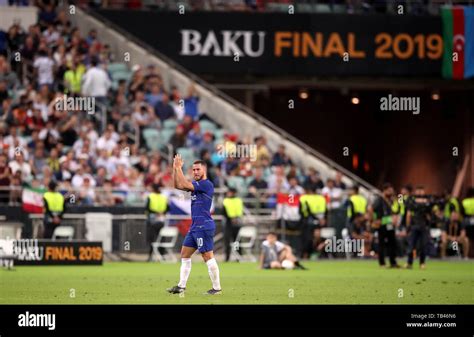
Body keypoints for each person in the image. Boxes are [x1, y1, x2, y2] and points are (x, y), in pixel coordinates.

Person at [167, 156, 222, 295]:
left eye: (198, 169)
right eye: (193, 170)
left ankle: (217, 288)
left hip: (204, 226)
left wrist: (179, 168)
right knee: (185, 254)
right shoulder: (196, 185)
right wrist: (175, 169)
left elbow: (184, 184)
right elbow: (177, 185)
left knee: (207, 256)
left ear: (205, 170)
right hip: (194, 227)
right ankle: (181, 286)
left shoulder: (206, 184)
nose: (195, 172)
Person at [369, 183, 399, 268]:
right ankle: (382, 263)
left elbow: (396, 209)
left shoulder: (391, 200)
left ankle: (393, 262)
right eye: (389, 191)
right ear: (385, 190)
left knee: (392, 244)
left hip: (390, 224)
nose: (391, 193)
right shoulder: (379, 200)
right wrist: (373, 220)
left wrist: (395, 218)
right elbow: (370, 209)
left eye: (392, 191)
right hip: (382, 224)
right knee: (381, 244)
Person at [405, 186, 431, 269]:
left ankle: (421, 263)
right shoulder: (411, 201)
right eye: (419, 191)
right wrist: (408, 226)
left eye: (421, 191)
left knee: (422, 245)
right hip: (415, 226)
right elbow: (408, 215)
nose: (420, 192)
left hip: (422, 226)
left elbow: (429, 216)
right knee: (412, 245)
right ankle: (410, 263)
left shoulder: (427, 202)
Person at [299, 187, 327, 259]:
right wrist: (321, 219)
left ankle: (314, 254)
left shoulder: (304, 198)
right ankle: (306, 255)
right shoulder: (321, 198)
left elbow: (303, 211)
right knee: (308, 239)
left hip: (311, 221)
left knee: (313, 238)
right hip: (310, 222)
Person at [146, 183, 168, 261]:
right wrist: (161, 213)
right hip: (161, 220)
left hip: (152, 220)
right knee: (161, 238)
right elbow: (167, 208)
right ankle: (162, 255)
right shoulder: (164, 197)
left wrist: (156, 213)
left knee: (151, 239)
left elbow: (147, 208)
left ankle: (150, 256)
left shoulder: (150, 196)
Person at [222, 187, 244, 262]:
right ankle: (227, 257)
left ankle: (238, 257)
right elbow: (223, 212)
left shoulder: (238, 200)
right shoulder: (226, 201)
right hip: (228, 222)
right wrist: (231, 218)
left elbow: (240, 210)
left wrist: (235, 218)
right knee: (227, 241)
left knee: (237, 241)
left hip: (237, 222)